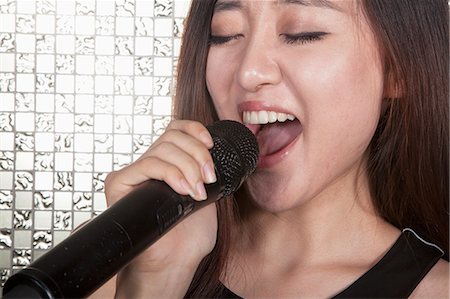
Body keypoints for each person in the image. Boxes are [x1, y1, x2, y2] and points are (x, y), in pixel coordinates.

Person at [91, 0, 449, 298]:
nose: (248, 72)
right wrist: (154, 281)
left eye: (301, 33)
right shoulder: (118, 276)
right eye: (225, 34)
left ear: (397, 69)